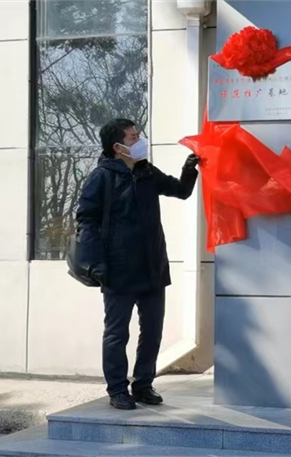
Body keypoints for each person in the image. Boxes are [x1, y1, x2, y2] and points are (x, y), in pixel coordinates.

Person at [76, 118, 200, 410]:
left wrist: (190, 168)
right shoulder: (102, 177)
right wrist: (96, 263)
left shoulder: (146, 172)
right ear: (118, 147)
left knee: (153, 330)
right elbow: (86, 221)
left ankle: (143, 384)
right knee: (117, 333)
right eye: (133, 137)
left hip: (153, 266)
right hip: (117, 269)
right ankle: (118, 389)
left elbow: (181, 191)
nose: (140, 140)